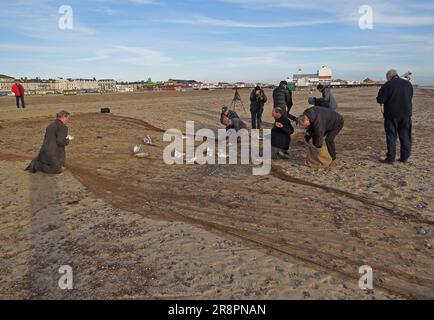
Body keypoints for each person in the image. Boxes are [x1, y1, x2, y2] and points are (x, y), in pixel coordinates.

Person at [376, 69, 413, 164]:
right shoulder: (408, 84)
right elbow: (410, 96)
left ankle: (391, 157)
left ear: (389, 77)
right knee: (405, 135)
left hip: (391, 115)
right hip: (406, 114)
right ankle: (404, 156)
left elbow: (380, 100)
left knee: (391, 136)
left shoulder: (387, 85)